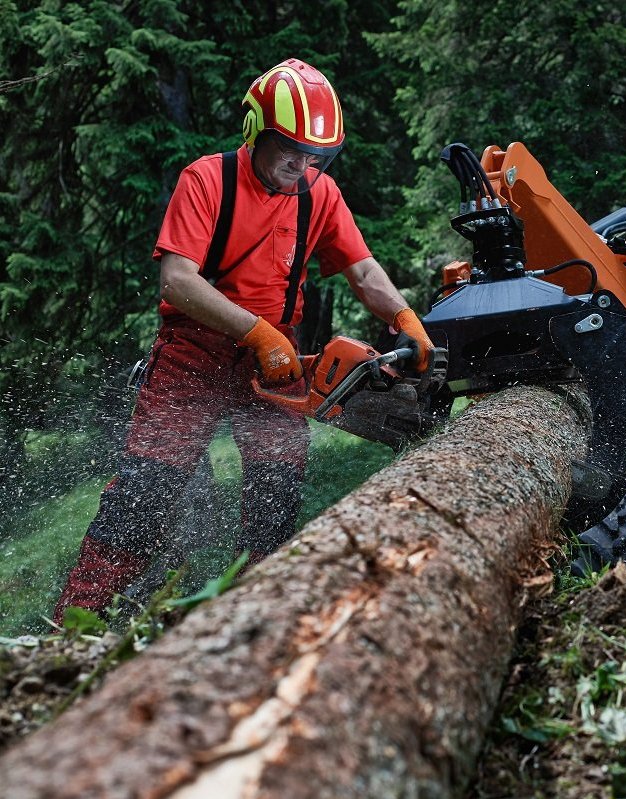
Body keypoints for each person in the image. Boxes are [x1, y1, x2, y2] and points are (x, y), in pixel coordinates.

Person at [53, 58, 433, 623]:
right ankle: (74, 622)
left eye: (314, 157)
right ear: (257, 131)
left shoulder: (318, 194)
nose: (301, 167)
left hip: (274, 365)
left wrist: (404, 318)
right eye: (291, 153)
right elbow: (178, 281)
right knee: (144, 494)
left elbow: (362, 270)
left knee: (276, 491)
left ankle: (256, 617)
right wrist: (256, 332)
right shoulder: (206, 180)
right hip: (195, 353)